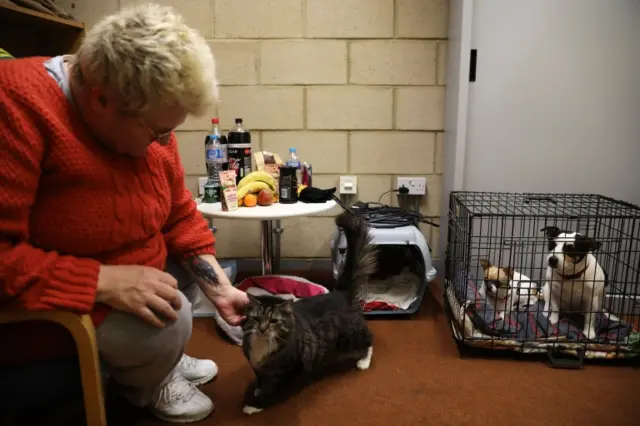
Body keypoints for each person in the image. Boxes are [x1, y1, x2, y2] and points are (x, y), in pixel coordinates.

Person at [0, 3, 249, 423]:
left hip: (118, 273)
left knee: (187, 282)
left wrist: (220, 289)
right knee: (170, 323)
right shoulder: (15, 107)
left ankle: (156, 361)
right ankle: (149, 376)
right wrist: (100, 281)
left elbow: (178, 214)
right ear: (101, 98)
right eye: (157, 132)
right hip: (39, 302)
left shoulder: (140, 114)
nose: (163, 143)